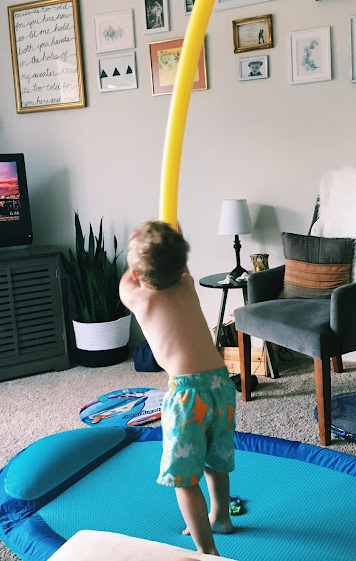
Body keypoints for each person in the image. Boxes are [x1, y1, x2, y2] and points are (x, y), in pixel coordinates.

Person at [119, 220, 236, 556]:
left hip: (188, 395)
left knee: (184, 480)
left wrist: (135, 262)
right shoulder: (187, 284)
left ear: (139, 273)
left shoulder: (142, 300)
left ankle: (207, 551)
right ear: (182, 264)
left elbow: (127, 282)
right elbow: (175, 257)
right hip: (220, 383)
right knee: (216, 461)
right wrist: (171, 235)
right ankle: (221, 517)